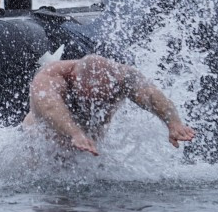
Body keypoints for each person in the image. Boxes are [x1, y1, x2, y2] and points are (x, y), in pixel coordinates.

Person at [23, 55, 196, 156]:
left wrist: (173, 122)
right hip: (41, 148)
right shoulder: (51, 77)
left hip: (89, 148)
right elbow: (49, 107)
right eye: (89, 99)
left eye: (102, 99)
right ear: (74, 79)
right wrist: (74, 133)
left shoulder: (123, 76)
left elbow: (151, 95)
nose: (94, 106)